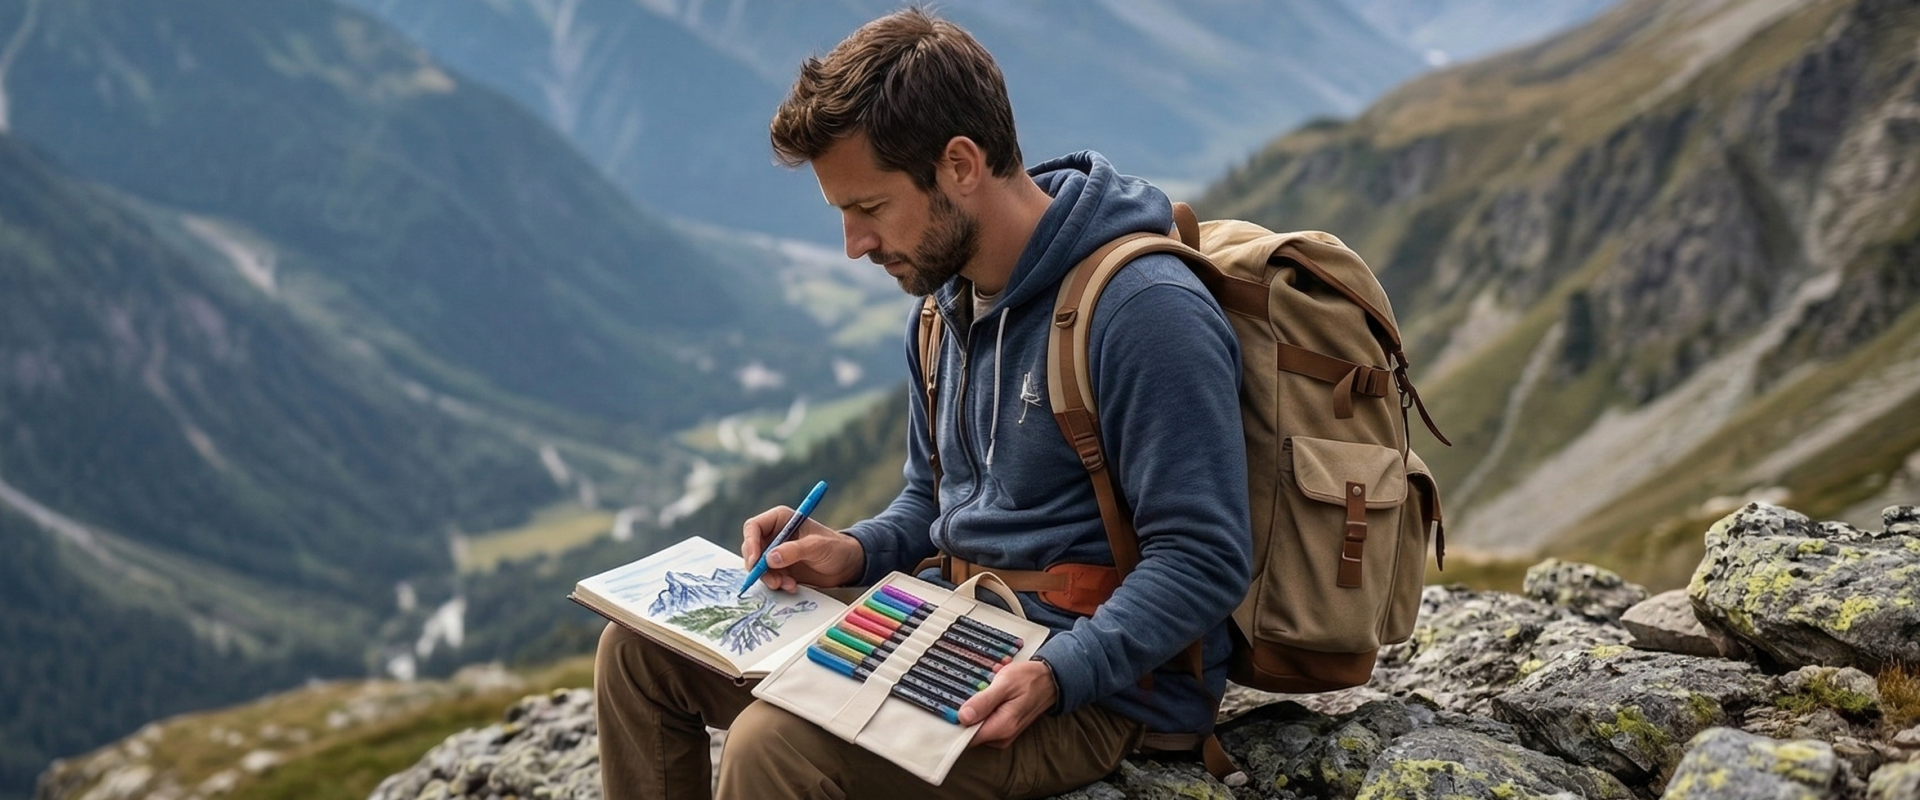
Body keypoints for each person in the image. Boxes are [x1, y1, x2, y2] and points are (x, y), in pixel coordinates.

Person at [594, 8, 1250, 799]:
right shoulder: (944, 309)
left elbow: (1204, 556)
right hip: (948, 629)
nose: (853, 244)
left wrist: (1058, 670)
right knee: (638, 654)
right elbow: (932, 502)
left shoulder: (1142, 310)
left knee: (774, 747)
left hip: (1094, 692)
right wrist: (857, 553)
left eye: (869, 208)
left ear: (961, 164)